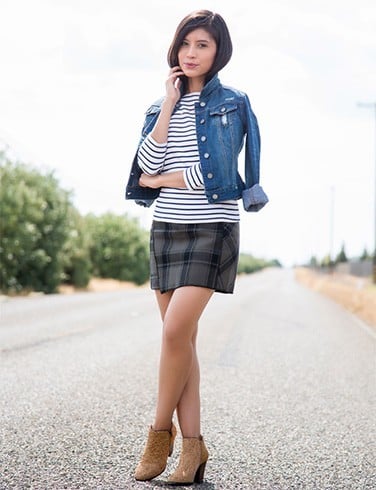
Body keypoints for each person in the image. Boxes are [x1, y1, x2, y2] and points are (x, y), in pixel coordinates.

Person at [125, 9, 268, 485]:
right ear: (176, 48)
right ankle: (193, 450)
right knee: (181, 341)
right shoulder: (155, 106)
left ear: (218, 51)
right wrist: (167, 106)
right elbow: (142, 169)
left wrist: (165, 177)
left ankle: (157, 434)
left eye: (203, 45)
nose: (192, 53)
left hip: (213, 227)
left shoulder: (233, 103)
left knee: (174, 333)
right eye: (186, 43)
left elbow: (216, 176)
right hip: (167, 228)